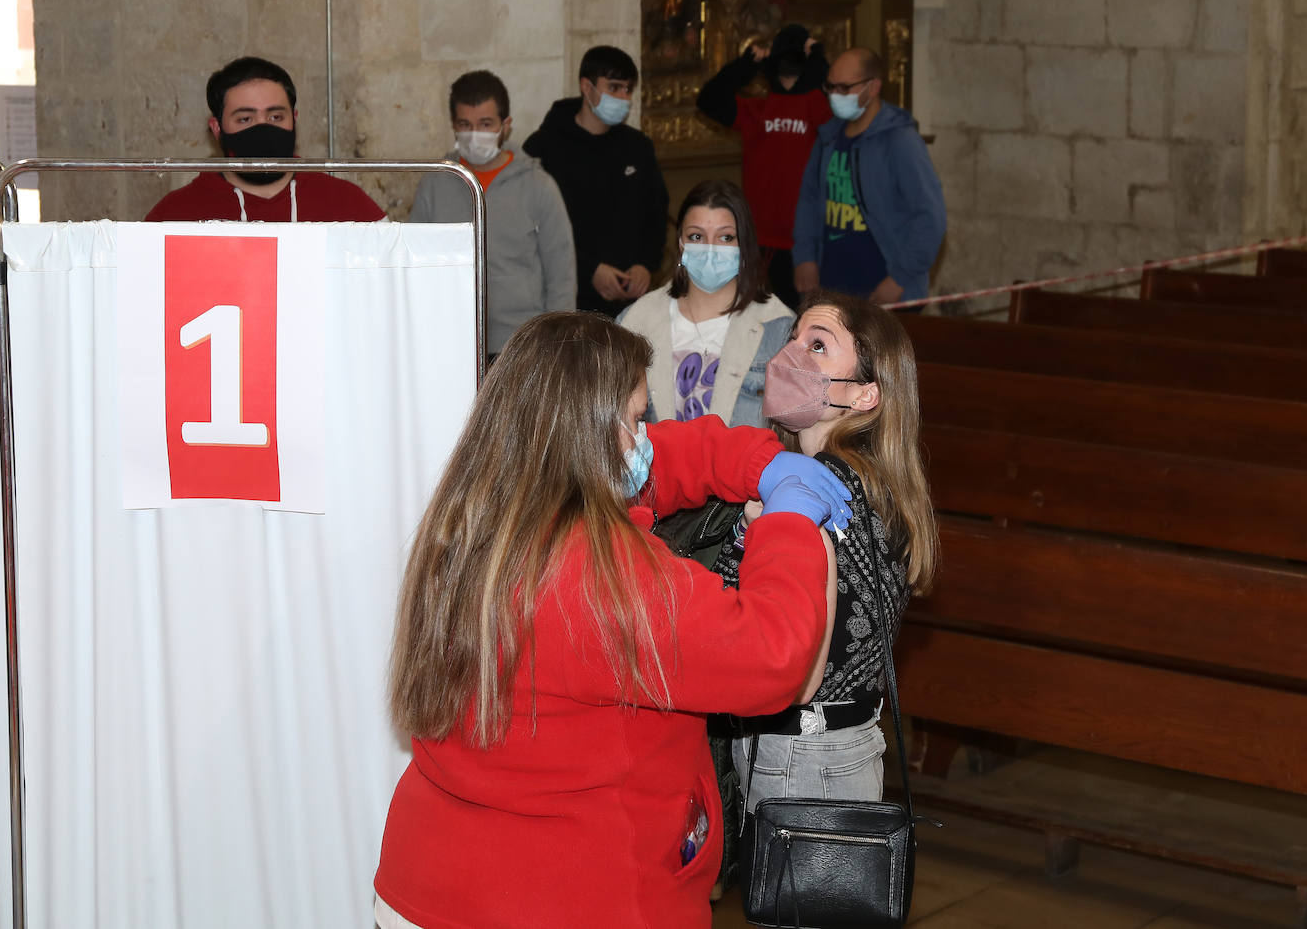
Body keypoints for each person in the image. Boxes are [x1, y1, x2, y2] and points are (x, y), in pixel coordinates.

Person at [373, 312, 856, 929]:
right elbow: (769, 655)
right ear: (588, 435)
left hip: (431, 879)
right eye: (635, 420)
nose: (648, 435)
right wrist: (787, 523)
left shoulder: (482, 517)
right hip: (565, 896)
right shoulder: (599, 574)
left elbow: (658, 463)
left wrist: (753, 460)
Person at [714, 291, 938, 813]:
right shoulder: (871, 479)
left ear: (865, 395)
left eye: (818, 346)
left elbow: (793, 664)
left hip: (801, 752)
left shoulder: (815, 492)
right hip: (843, 741)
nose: (791, 355)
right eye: (793, 339)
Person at [409, 70, 575, 355]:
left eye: (485, 124)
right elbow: (415, 264)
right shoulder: (435, 184)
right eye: (465, 124)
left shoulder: (538, 185)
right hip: (451, 340)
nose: (475, 135)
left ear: (505, 125)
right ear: (453, 126)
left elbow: (561, 275)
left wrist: (556, 345)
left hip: (523, 345)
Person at [617, 179, 792, 429]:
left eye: (725, 237)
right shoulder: (634, 322)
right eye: (696, 236)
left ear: (744, 243)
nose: (710, 249)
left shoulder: (780, 328)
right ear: (680, 243)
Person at [145, 56, 386, 223]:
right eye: (245, 119)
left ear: (294, 119)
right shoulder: (176, 215)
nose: (263, 129)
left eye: (275, 116)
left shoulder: (349, 207)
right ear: (217, 128)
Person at [792, 48, 946, 305]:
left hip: (884, 291)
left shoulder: (900, 141)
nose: (834, 96)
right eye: (830, 87)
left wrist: (900, 278)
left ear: (873, 87)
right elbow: (808, 200)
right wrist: (805, 257)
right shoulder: (828, 137)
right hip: (832, 289)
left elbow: (931, 217)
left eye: (844, 88)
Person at [524, 46, 669, 318]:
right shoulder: (543, 148)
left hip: (629, 301)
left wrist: (645, 265)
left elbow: (656, 213)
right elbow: (535, 227)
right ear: (586, 87)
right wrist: (589, 270)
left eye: (628, 89)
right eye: (614, 87)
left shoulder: (638, 147)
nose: (623, 98)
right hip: (566, 299)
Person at [696, 25, 831, 311]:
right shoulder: (758, 109)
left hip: (809, 241)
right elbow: (708, 99)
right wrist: (746, 65)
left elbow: (838, 94)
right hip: (761, 241)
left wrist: (818, 59)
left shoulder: (821, 107)